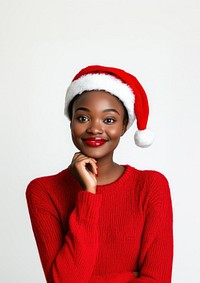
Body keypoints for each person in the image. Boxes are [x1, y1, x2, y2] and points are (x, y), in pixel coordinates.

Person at [26, 65, 173, 283]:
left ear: (124, 126)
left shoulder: (151, 185)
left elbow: (158, 279)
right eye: (83, 118)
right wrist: (89, 194)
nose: (95, 129)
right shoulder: (43, 191)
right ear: (71, 123)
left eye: (109, 120)